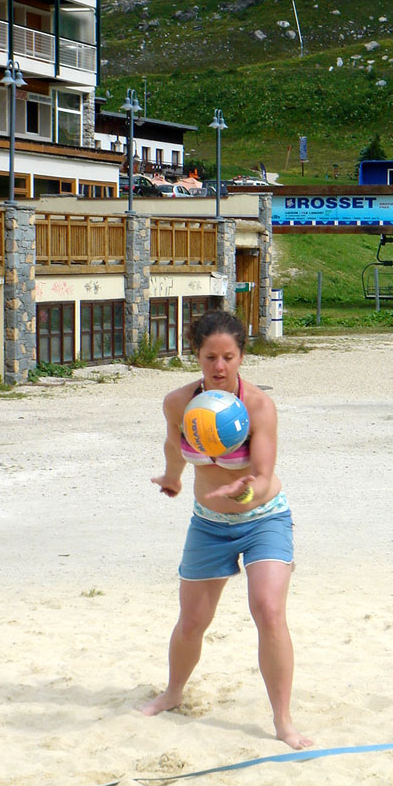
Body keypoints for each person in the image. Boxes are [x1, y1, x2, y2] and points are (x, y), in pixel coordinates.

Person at [145, 310, 312, 751]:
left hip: (263, 519)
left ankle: (283, 721)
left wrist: (245, 489)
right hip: (209, 524)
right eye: (210, 357)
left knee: (268, 610)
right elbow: (174, 445)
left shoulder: (258, 406)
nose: (219, 367)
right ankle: (173, 693)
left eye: (228, 357)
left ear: (241, 356)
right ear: (196, 356)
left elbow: (264, 475)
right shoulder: (178, 403)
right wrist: (172, 478)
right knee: (192, 621)